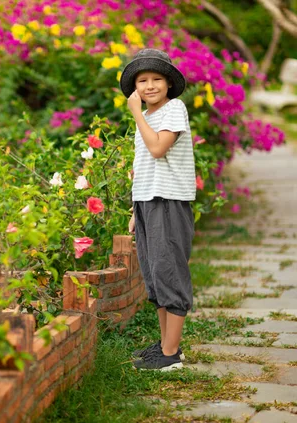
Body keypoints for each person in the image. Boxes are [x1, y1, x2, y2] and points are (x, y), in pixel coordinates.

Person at [119, 48, 196, 371]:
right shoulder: (149, 116)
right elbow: (143, 166)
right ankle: (166, 346)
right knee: (154, 276)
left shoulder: (173, 109)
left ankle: (171, 354)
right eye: (143, 80)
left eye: (156, 79)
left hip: (169, 200)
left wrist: (135, 112)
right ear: (135, 86)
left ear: (168, 84)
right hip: (148, 201)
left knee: (169, 272)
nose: (150, 86)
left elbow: (157, 149)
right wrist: (136, 210)